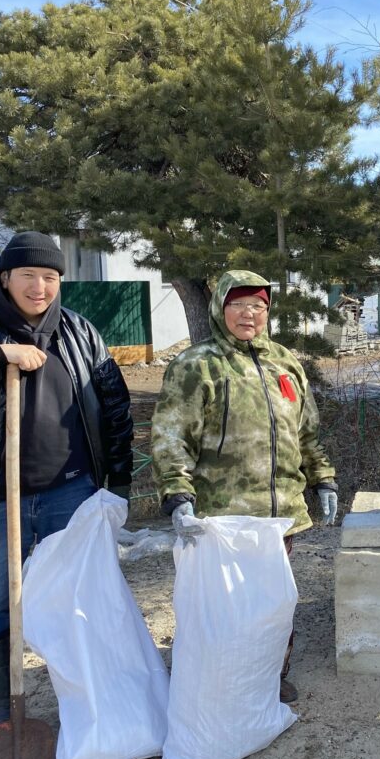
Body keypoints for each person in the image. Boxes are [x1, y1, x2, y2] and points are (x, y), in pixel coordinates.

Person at [0, 231, 134, 729]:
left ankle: (86, 694)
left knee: (82, 596)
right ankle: (1, 708)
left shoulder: (80, 333)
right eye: (30, 276)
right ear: (5, 279)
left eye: (51, 277)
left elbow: (116, 407)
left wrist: (118, 481)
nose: (41, 286)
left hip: (71, 493)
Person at [150, 269, 339, 704]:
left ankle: (273, 674)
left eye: (257, 305)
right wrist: (178, 494)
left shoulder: (284, 363)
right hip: (224, 516)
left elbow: (306, 433)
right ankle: (224, 683)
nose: (248, 314)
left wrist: (323, 478)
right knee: (226, 608)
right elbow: (170, 435)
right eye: (238, 304)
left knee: (275, 605)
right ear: (220, 308)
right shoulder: (196, 366)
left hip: (280, 516)